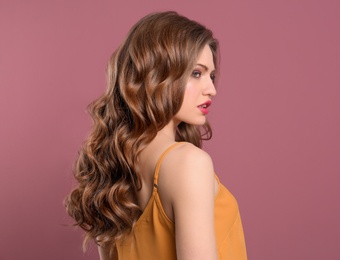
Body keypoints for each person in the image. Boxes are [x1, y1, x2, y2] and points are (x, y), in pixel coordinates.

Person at [65, 11, 247, 260]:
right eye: (197, 73)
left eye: (211, 75)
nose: (212, 89)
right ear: (157, 75)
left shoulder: (112, 173)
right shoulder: (189, 163)